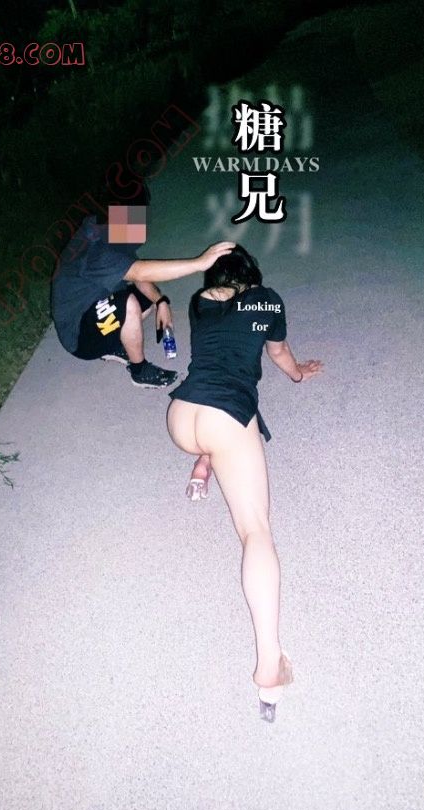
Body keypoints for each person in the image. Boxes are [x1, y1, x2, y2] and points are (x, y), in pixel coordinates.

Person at [166, 245, 323, 721]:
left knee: (221, 434)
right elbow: (278, 352)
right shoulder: (267, 299)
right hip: (225, 418)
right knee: (256, 531)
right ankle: (269, 666)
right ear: (252, 276)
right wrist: (298, 375)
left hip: (181, 416)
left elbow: (224, 339)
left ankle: (204, 463)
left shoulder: (199, 302)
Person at [50, 188, 235, 388]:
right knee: (128, 304)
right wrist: (199, 263)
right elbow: (139, 272)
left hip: (94, 308)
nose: (141, 223)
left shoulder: (107, 231)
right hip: (79, 337)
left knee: (147, 296)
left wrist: (160, 301)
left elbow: (136, 274)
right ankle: (140, 371)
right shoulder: (96, 250)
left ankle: (114, 344)